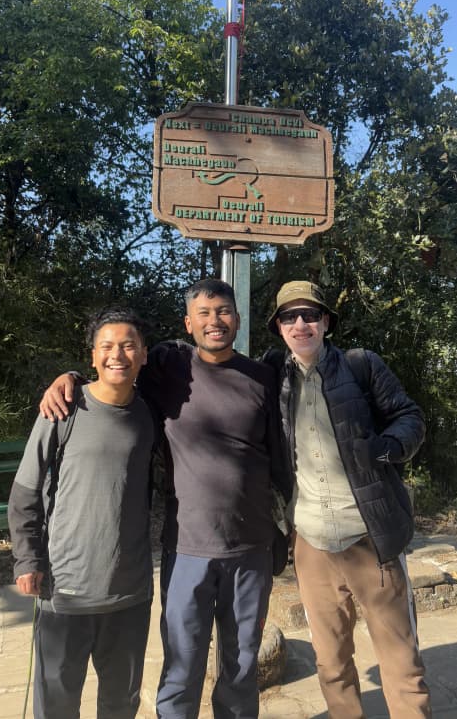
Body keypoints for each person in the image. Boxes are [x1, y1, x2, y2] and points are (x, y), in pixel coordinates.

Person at [39, 279, 291, 719]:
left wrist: (287, 528)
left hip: (251, 548)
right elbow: (116, 371)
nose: (216, 321)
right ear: (188, 322)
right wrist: (71, 379)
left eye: (224, 311)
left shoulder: (263, 377)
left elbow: (280, 460)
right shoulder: (167, 368)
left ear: (238, 316)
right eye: (205, 313)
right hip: (188, 548)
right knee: (182, 664)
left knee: (242, 663)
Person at [264, 279, 432, 719]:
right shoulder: (272, 378)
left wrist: (391, 447)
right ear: (279, 327)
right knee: (331, 663)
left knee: (402, 662)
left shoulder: (362, 366)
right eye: (289, 316)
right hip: (312, 543)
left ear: (326, 323)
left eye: (310, 315)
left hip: (369, 535)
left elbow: (409, 415)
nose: (300, 324)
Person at [8, 305, 156, 719]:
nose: (117, 355)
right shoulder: (63, 409)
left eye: (129, 346)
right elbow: (25, 491)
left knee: (121, 703)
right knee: (56, 703)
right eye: (106, 346)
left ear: (144, 354)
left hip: (130, 591)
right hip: (65, 588)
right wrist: (27, 558)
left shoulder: (148, 415)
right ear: (91, 356)